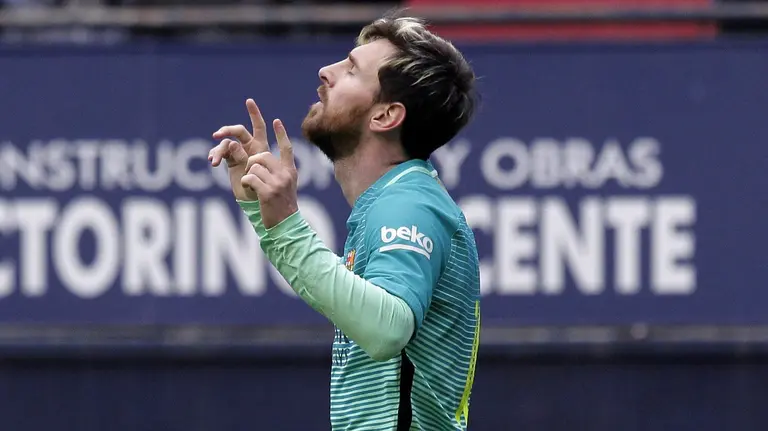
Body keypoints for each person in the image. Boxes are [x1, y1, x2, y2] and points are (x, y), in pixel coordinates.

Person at [208, 12, 481, 431]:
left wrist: (285, 225)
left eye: (352, 69)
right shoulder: (393, 200)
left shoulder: (409, 205)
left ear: (386, 116)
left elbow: (386, 328)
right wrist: (264, 214)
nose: (327, 71)